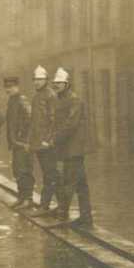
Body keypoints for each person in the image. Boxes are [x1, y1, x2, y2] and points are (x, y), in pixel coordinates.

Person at [51, 67, 94, 227]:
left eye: (60, 83)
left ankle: (63, 215)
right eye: (55, 83)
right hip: (68, 149)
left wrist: (55, 139)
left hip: (74, 149)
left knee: (69, 182)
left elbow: (71, 124)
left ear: (67, 84)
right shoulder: (60, 99)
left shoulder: (74, 100)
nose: (57, 86)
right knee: (81, 184)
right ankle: (86, 217)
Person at [26, 64, 59, 215]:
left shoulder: (50, 96)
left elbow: (54, 120)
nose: (37, 82)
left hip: (47, 143)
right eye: (35, 80)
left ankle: (44, 206)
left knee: (50, 174)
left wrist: (48, 140)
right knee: (50, 173)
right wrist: (31, 142)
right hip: (38, 143)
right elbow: (34, 122)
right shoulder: (36, 96)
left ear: (46, 80)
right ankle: (62, 206)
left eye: (40, 80)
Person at [4, 76, 35, 208]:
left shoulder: (22, 100)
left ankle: (28, 199)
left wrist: (25, 139)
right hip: (16, 142)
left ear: (17, 87)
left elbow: (30, 120)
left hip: (23, 143)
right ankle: (21, 197)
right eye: (6, 87)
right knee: (17, 170)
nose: (8, 89)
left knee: (24, 170)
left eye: (11, 87)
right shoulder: (12, 101)